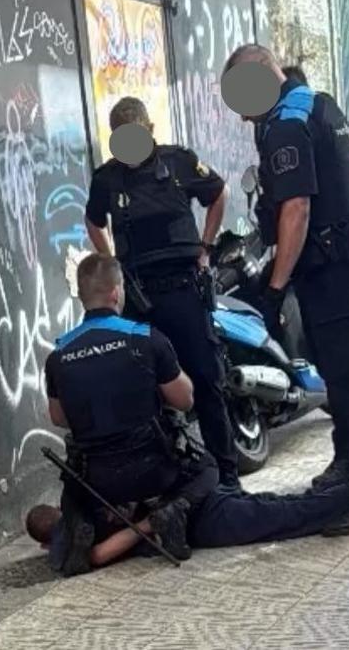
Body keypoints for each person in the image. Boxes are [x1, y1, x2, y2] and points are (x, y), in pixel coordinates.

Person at [222, 44, 349, 536]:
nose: (242, 117)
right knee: (341, 376)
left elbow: (296, 209)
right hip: (339, 267)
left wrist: (275, 288)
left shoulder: (286, 125)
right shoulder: (322, 106)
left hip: (329, 273)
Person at [85, 97, 241, 490]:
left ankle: (227, 477)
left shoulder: (177, 163)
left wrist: (205, 247)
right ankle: (167, 478)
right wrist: (112, 263)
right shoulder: (107, 178)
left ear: (150, 130)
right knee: (146, 391)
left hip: (183, 288)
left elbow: (218, 193)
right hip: (138, 296)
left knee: (206, 380)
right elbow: (93, 220)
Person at [27, 444, 349, 573]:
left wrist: (152, 522)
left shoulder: (77, 522)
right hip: (197, 505)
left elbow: (98, 555)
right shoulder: (81, 506)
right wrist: (151, 521)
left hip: (200, 515)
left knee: (291, 515)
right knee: (289, 509)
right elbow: (98, 552)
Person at [44, 253, 217, 569]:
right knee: (208, 469)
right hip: (155, 472)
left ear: (82, 296)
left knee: (71, 493)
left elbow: (58, 418)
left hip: (99, 481)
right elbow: (185, 400)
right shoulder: (145, 337)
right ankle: (163, 516)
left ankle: (82, 524)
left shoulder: (58, 354)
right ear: (115, 292)